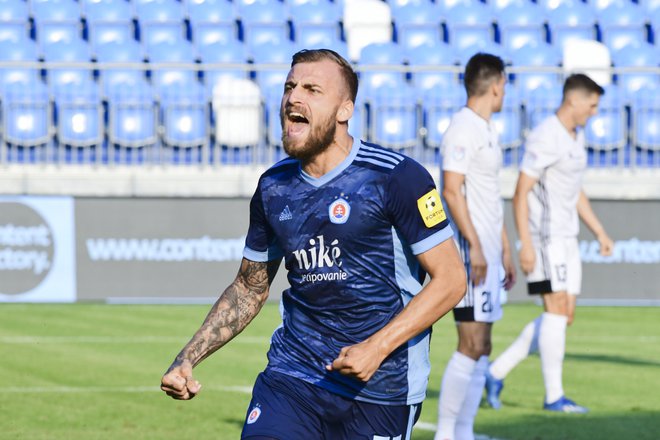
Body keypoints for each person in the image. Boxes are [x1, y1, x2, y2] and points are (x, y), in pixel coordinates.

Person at [160, 48, 467, 440]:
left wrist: (376, 348)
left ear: (344, 110)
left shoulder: (396, 178)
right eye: (289, 87)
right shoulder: (273, 187)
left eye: (311, 89)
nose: (293, 97)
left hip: (382, 391)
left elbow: (452, 280)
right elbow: (249, 288)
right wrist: (187, 359)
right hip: (292, 378)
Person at [485, 73, 614, 413]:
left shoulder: (575, 136)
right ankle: (554, 397)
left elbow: (575, 191)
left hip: (567, 238)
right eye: (592, 105)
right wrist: (524, 244)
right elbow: (520, 193)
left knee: (562, 316)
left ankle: (495, 373)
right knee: (555, 311)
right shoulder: (546, 137)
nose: (594, 112)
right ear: (574, 100)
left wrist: (599, 231)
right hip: (544, 241)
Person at [433, 53, 516, 440]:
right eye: (504, 84)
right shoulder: (462, 128)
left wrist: (503, 246)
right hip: (470, 252)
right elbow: (451, 189)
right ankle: (447, 433)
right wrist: (475, 247)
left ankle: (464, 430)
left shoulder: (487, 129)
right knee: (470, 342)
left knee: (483, 343)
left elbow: (488, 195)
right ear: (496, 83)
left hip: (487, 250)